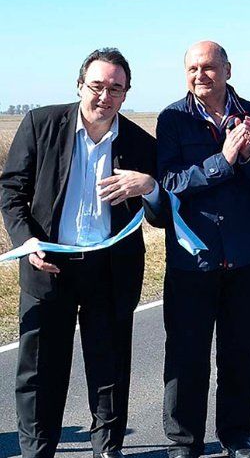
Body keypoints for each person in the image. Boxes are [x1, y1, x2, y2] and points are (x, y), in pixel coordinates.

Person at [0, 48, 167, 458]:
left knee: (110, 369)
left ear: (126, 93)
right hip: (47, 265)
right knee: (39, 371)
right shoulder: (41, 124)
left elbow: (161, 215)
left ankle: (107, 448)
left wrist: (148, 187)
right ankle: (37, 450)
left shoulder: (141, 143)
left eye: (115, 88)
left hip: (110, 271)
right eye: (97, 86)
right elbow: (12, 191)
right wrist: (26, 241)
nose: (104, 96)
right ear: (79, 86)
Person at [156, 41, 250, 458]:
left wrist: (247, 156)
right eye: (192, 68)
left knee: (241, 352)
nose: (200, 75)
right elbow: (170, 183)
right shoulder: (173, 119)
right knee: (186, 354)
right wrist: (222, 161)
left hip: (247, 253)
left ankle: (237, 436)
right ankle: (184, 442)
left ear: (228, 69)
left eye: (209, 67)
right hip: (194, 257)